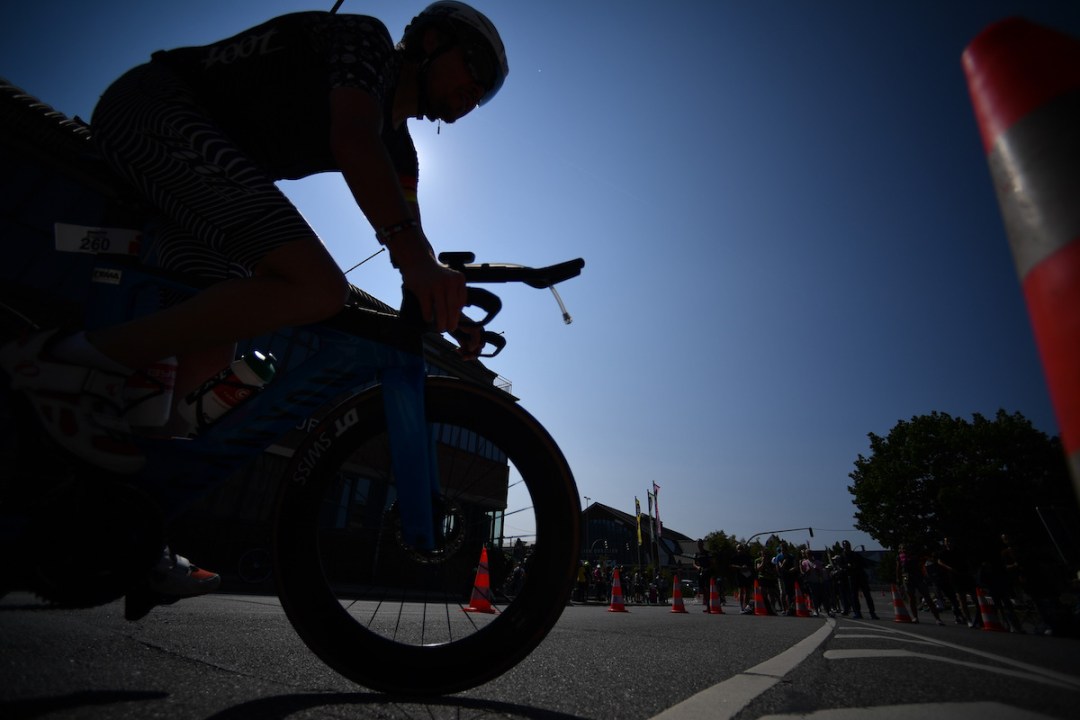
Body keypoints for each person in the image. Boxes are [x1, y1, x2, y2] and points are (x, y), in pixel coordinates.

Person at [1, 2, 508, 604]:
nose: (474, 92)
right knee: (319, 287)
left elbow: (410, 248)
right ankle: (64, 357)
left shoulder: (400, 153)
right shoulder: (365, 45)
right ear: (428, 40)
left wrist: (446, 322)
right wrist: (418, 259)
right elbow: (351, 139)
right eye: (472, 68)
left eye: (486, 92)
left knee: (204, 366)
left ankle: (128, 529)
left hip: (202, 175)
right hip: (157, 112)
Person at [897, 543, 944, 625]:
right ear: (900, 549)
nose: (905, 550)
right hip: (907, 577)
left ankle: (937, 618)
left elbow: (925, 560)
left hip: (918, 577)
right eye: (903, 548)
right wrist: (898, 579)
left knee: (927, 597)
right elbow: (898, 568)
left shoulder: (916, 555)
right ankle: (915, 617)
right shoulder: (900, 557)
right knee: (911, 598)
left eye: (906, 548)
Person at [841, 540, 879, 620]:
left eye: (848, 545)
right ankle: (857, 612)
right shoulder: (842, 556)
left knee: (867, 595)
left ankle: (872, 613)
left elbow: (863, 563)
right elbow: (841, 566)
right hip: (851, 577)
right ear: (843, 547)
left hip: (861, 576)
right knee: (854, 596)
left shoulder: (855, 555)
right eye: (846, 545)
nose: (847, 547)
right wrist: (847, 566)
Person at [730, 543, 755, 614]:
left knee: (747, 591)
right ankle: (741, 607)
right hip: (739, 575)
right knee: (741, 590)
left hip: (747, 575)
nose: (740, 550)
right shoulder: (734, 557)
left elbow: (751, 565)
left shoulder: (747, 557)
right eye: (738, 548)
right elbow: (731, 565)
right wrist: (740, 567)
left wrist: (747, 567)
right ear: (736, 549)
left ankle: (746, 606)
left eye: (741, 548)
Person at [694, 539, 713, 612]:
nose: (699, 545)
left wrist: (707, 569)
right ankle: (707, 605)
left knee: (707, 589)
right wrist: (697, 567)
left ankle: (709, 606)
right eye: (698, 544)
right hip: (700, 572)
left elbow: (712, 563)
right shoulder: (696, 554)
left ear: (703, 544)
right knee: (702, 589)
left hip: (707, 572)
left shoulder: (707, 553)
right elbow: (694, 563)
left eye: (700, 543)